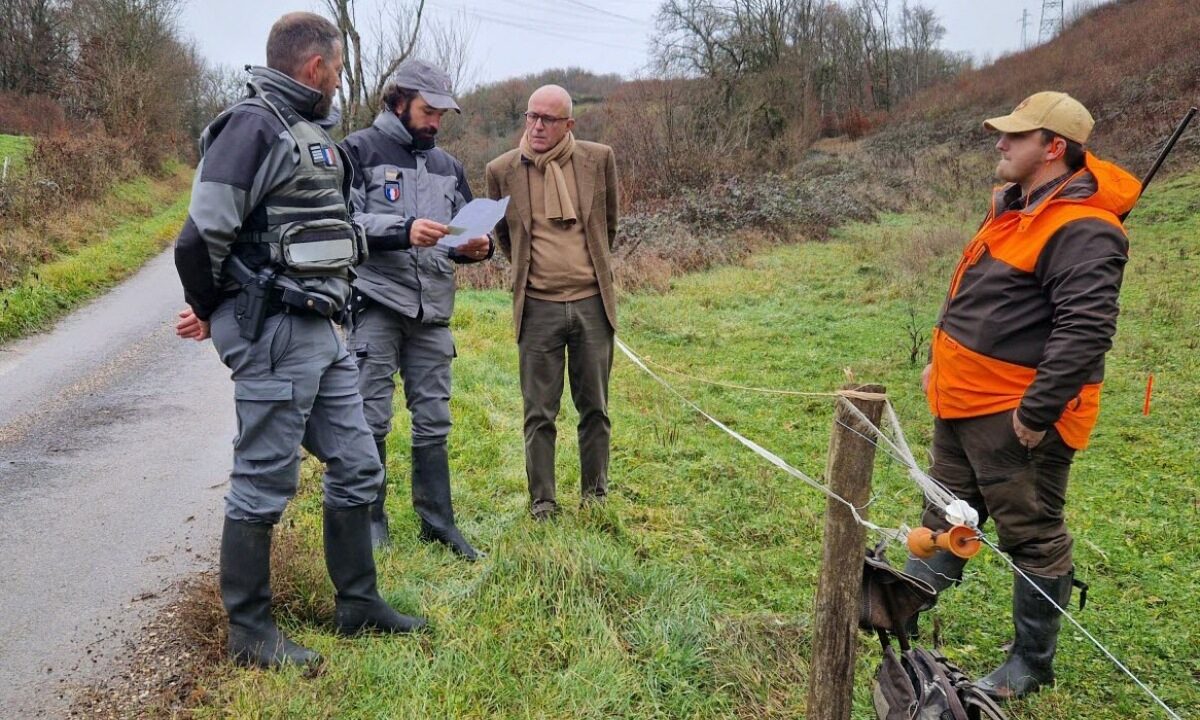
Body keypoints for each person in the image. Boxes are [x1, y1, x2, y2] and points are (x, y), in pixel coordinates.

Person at [173, 12, 426, 669]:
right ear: (315, 67)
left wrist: (402, 233)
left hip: (324, 329)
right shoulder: (253, 126)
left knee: (360, 460)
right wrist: (216, 312)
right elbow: (200, 240)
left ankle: (358, 602)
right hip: (276, 329)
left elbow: (336, 231)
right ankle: (250, 632)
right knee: (264, 478)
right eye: (339, 70)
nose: (341, 81)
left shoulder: (312, 135)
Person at [906, 91, 1140, 701]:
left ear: (1053, 148)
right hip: (961, 400)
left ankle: (1030, 666)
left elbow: (1086, 330)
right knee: (948, 509)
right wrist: (939, 361)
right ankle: (900, 603)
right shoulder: (1015, 208)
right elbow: (973, 294)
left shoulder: (1085, 228)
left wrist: (1037, 413)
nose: (1001, 144)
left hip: (1015, 415)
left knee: (1032, 534)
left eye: (1016, 136)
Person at [341, 59, 491, 559]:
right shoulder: (356, 151)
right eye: (428, 111)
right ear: (399, 100)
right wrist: (400, 229)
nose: (435, 122)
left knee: (434, 418)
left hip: (433, 312)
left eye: (442, 115)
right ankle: (371, 522)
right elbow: (342, 224)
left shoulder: (450, 166)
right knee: (370, 416)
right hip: (377, 303)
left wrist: (479, 248)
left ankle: (438, 523)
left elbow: (466, 229)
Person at [484, 85, 619, 520]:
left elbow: (608, 226)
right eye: (531, 117)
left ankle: (595, 495)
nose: (537, 126)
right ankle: (543, 503)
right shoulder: (502, 170)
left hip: (592, 305)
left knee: (594, 408)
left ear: (568, 125)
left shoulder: (599, 160)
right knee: (539, 412)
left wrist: (586, 278)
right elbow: (504, 238)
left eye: (547, 119)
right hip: (537, 309)